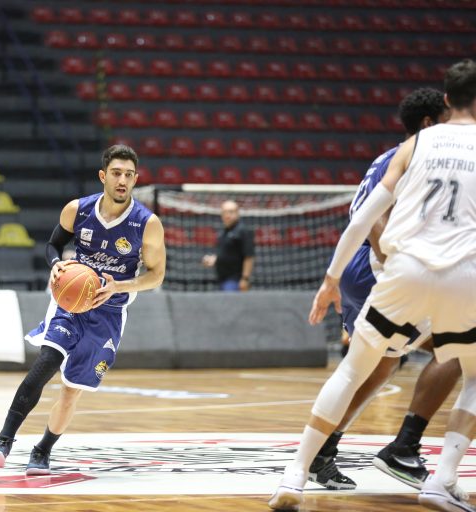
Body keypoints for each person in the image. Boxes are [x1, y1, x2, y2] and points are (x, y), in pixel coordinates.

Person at [269, 59, 476, 512]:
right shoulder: (434, 146)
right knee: (457, 364)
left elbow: (361, 217)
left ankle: (297, 471)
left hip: (399, 269)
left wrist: (331, 277)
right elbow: (374, 221)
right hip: (438, 271)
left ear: (448, 99)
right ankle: (435, 471)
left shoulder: (413, 146)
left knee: (364, 367)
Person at [308, 88, 461, 492]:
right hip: (376, 267)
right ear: (429, 123)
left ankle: (321, 450)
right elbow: (374, 219)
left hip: (363, 268)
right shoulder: (411, 157)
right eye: (449, 117)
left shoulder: (398, 155)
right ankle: (403, 446)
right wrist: (395, 270)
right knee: (456, 347)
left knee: (377, 366)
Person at [0, 144, 166, 474]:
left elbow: (156, 275)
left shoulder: (147, 223)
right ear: (103, 176)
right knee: (46, 362)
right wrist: (55, 264)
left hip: (110, 311)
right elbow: (53, 245)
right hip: (71, 303)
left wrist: (119, 286)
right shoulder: (77, 210)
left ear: (135, 179)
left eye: (128, 175)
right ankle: (3, 440)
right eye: (116, 173)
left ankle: (42, 450)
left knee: (70, 392)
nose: (122, 180)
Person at [201, 200, 254, 291]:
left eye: (231, 212)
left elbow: (249, 257)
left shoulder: (242, 231)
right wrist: (215, 260)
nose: (227, 215)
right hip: (222, 278)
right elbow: (227, 254)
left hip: (235, 280)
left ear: (237, 213)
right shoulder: (224, 232)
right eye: (225, 212)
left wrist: (245, 279)